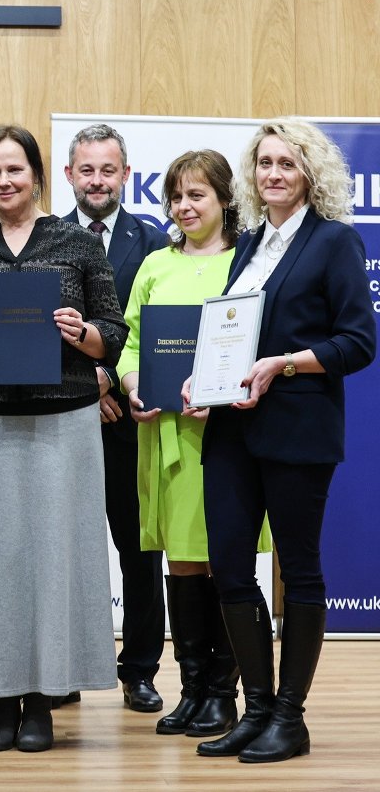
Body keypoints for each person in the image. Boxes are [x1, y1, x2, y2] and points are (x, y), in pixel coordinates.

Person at [0, 125, 125, 752]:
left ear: (38, 175)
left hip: (62, 421)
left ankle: (41, 701)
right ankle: (1, 701)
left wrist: (80, 333)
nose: (3, 181)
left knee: (53, 559)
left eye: (15, 169)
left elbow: (113, 332)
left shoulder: (77, 242)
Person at [186, 119, 375, 763]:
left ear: (309, 174)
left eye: (287, 163)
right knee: (230, 567)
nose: (273, 173)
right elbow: (234, 336)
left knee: (297, 570)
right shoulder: (248, 244)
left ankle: (290, 718)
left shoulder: (334, 241)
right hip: (231, 431)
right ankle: (256, 711)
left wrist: (284, 364)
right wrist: (202, 380)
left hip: (298, 431)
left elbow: (358, 343)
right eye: (265, 162)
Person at [117, 150, 271, 738]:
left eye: (197, 195)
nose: (184, 207)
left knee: (225, 561)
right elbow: (131, 344)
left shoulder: (249, 262)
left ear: (225, 200)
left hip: (227, 437)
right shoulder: (155, 264)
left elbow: (258, 345)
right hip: (167, 435)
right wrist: (134, 386)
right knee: (181, 562)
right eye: (176, 197)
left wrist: (222, 394)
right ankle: (193, 689)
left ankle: (224, 695)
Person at [59, 123, 169, 714]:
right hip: (64, 423)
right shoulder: (46, 241)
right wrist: (87, 387)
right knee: (64, 552)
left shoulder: (155, 243)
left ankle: (141, 670)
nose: (97, 181)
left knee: (139, 550)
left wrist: (112, 383)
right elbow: (39, 334)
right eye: (87, 170)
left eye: (108, 170)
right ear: (69, 175)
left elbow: (156, 329)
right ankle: (64, 669)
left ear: (126, 175)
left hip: (132, 421)